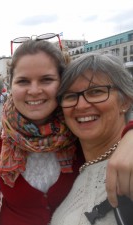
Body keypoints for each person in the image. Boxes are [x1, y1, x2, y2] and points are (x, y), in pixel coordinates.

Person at [0, 39, 133, 225]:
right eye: (23, 81)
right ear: (11, 86)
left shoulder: (78, 129)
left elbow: (115, 116)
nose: (34, 90)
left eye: (46, 79)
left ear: (62, 83)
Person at [51, 53, 133, 224]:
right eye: (70, 96)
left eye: (96, 92)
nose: (81, 105)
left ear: (125, 102)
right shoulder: (70, 160)